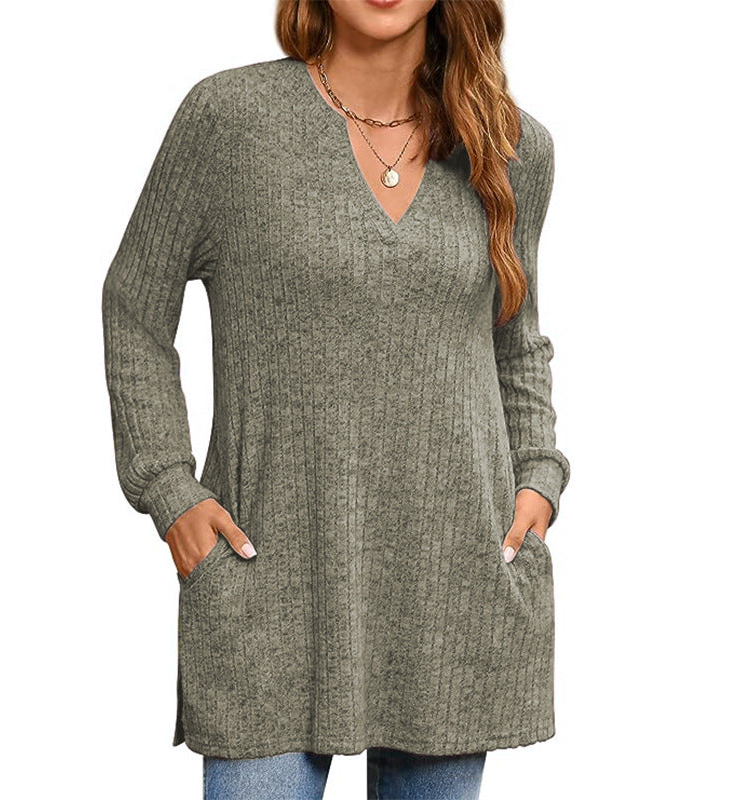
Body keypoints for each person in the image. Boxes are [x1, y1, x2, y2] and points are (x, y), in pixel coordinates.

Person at [101, 1, 571, 797]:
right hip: (269, 579)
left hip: (451, 583)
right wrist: (169, 489)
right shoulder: (230, 122)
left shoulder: (509, 146)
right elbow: (134, 307)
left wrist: (538, 480)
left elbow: (515, 338)